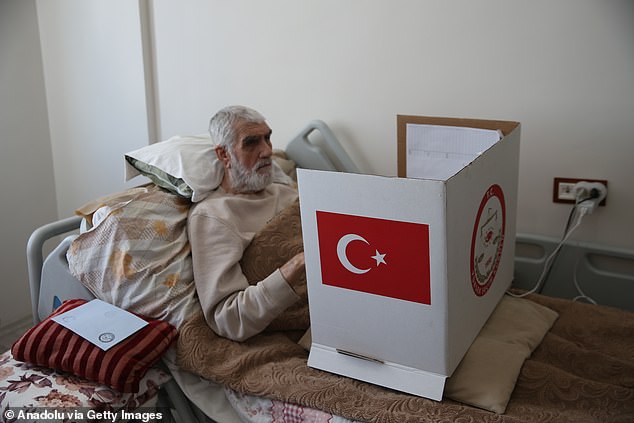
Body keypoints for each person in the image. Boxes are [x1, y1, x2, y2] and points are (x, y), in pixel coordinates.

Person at [187, 105, 305, 342]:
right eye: (251, 143)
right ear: (224, 155)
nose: (267, 151)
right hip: (299, 325)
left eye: (268, 138)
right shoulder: (214, 215)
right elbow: (229, 318)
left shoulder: (286, 192)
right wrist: (295, 267)